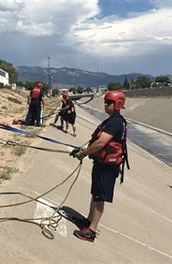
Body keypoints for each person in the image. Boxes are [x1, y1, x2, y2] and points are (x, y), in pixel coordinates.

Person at [70, 90, 128, 242]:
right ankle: (88, 221)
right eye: (105, 102)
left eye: (109, 102)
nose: (105, 105)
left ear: (118, 105)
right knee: (96, 193)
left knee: (99, 196)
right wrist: (83, 149)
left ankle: (91, 230)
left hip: (107, 168)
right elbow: (96, 140)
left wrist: (84, 153)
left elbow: (102, 142)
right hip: (101, 164)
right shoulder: (110, 120)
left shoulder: (115, 122)